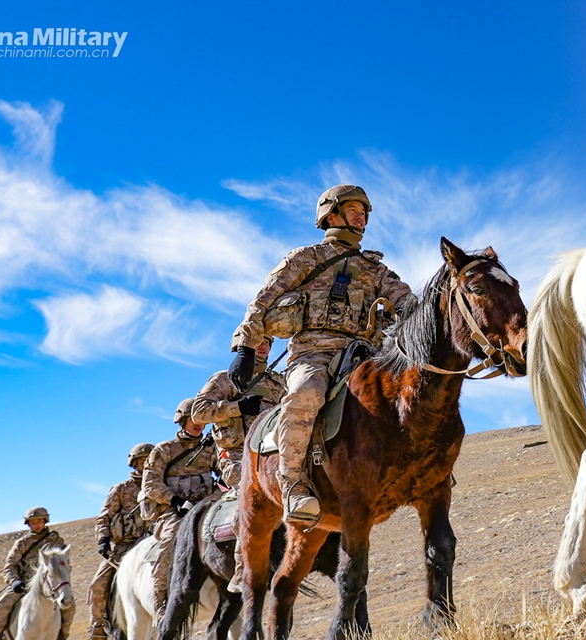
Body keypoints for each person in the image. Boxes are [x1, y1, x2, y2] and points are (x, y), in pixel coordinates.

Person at [228, 184, 415, 523]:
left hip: (364, 355)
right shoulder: (304, 259)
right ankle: (294, 485)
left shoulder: (375, 270)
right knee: (304, 395)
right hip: (312, 354)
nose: (362, 216)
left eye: (364, 211)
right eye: (353, 208)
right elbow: (263, 301)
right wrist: (244, 346)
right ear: (331, 214)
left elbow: (407, 303)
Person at [191, 335, 285, 592]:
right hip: (235, 456)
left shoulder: (278, 382)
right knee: (249, 498)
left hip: (271, 455)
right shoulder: (223, 379)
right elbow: (199, 412)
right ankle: (243, 569)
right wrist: (238, 407)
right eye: (258, 341)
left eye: (268, 341)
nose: (264, 345)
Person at [140, 399, 220, 625]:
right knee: (172, 538)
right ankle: (161, 604)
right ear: (183, 420)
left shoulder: (210, 449)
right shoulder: (164, 450)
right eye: (194, 419)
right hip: (172, 513)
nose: (199, 424)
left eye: (202, 419)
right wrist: (174, 500)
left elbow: (224, 473)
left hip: (205, 509)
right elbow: (150, 484)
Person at [87, 443, 154, 639]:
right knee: (98, 584)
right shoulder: (122, 489)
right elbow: (104, 517)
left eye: (150, 460)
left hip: (153, 544)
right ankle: (98, 626)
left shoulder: (160, 486)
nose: (146, 464)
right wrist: (103, 540)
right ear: (134, 464)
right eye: (142, 461)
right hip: (124, 548)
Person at [0, 507, 75, 640]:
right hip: (24, 585)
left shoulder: (56, 541)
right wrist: (14, 581)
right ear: (28, 524)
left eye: (39, 521)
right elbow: (9, 566)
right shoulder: (22, 543)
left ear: (45, 521)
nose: (36, 524)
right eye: (33, 522)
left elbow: (63, 564)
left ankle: (62, 635)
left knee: (70, 607)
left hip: (50, 584)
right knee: (1, 606)